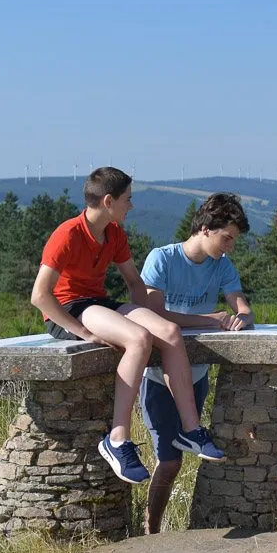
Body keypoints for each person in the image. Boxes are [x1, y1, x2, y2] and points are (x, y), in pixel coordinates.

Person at [30, 166, 225, 485]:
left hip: (98, 302)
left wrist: (148, 315)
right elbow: (40, 296)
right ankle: (117, 438)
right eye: (127, 200)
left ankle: (191, 430)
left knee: (168, 332)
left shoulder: (114, 233)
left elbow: (134, 283)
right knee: (138, 339)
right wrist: (84, 333)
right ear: (108, 201)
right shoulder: (68, 234)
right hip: (69, 310)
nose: (131, 206)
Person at [137, 192, 255, 534]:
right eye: (227, 238)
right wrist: (209, 320)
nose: (231, 246)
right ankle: (151, 530)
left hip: (197, 376)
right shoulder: (162, 258)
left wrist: (242, 318)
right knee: (169, 461)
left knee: (179, 458)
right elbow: (153, 313)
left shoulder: (222, 265)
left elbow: (242, 307)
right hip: (158, 378)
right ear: (205, 229)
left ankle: (156, 530)